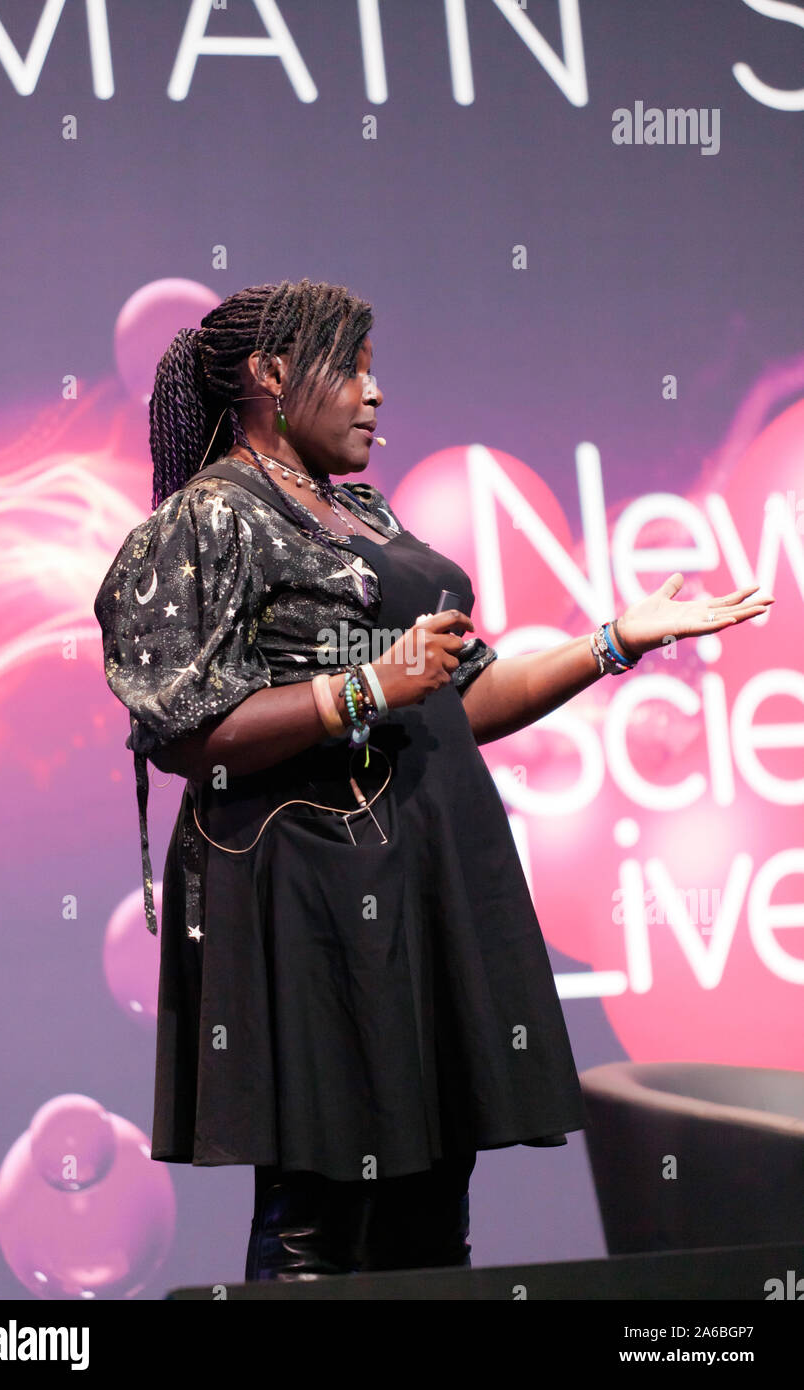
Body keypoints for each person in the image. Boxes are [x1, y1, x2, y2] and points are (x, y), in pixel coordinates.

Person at [93, 278, 773, 1281]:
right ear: (270, 375)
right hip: (313, 895)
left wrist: (614, 640)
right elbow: (186, 730)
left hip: (424, 872)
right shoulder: (211, 518)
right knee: (321, 1201)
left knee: (431, 1196)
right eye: (350, 367)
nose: (374, 393)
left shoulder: (361, 511)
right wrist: (363, 688)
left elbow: (466, 695)